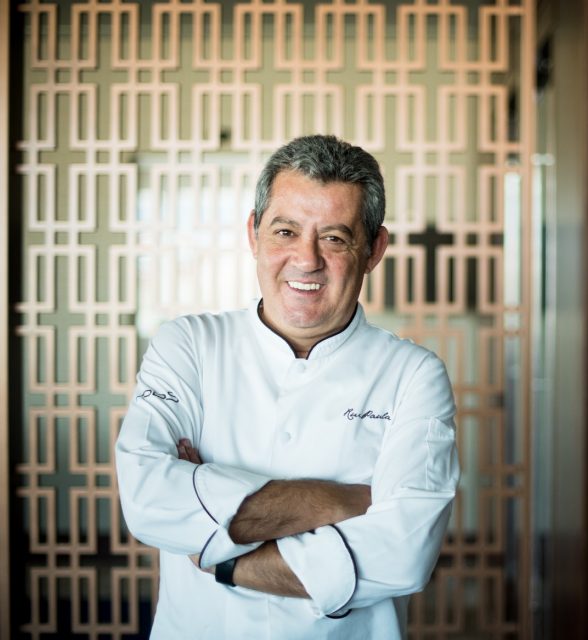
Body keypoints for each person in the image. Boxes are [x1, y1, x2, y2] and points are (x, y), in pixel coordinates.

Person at [115, 134, 460, 639]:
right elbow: (148, 501)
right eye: (285, 231)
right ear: (254, 234)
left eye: (335, 238)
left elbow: (403, 556)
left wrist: (224, 556)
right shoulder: (187, 345)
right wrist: (339, 501)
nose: (306, 258)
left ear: (374, 250)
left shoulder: (414, 375)